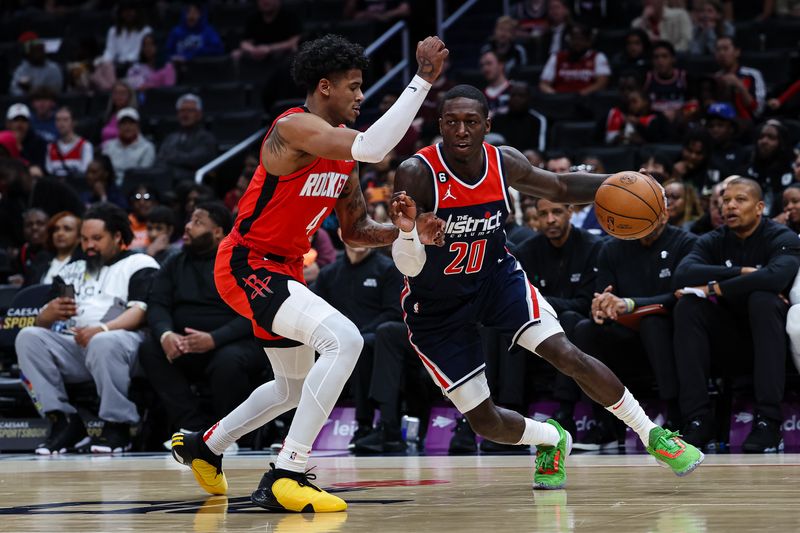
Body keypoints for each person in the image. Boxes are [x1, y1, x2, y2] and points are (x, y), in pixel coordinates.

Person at [169, 34, 448, 513]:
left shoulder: (343, 157)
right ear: (325, 87)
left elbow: (355, 230)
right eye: (355, 87)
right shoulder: (294, 128)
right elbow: (375, 146)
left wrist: (406, 230)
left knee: (292, 387)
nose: (362, 96)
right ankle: (288, 471)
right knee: (346, 340)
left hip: (286, 269)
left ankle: (204, 446)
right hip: (247, 263)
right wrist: (422, 79)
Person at [390, 84, 703, 492]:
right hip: (435, 304)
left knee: (565, 352)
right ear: (440, 125)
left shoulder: (504, 163)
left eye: (471, 122)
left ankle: (653, 436)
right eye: (451, 122)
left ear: (488, 124)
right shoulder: (417, 172)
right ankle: (552, 439)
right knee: (485, 421)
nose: (461, 131)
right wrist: (411, 234)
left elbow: (557, 187)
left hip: (495, 279)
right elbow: (407, 265)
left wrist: (627, 181)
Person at [15, 203, 159, 455]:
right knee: (28, 336)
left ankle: (118, 424)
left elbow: (140, 312)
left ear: (117, 236)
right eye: (84, 239)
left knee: (103, 342)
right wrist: (45, 316)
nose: (89, 245)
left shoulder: (140, 262)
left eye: (96, 238)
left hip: (124, 346)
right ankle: (64, 421)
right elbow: (45, 320)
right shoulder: (72, 269)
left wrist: (103, 328)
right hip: (77, 346)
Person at [672, 177, 800, 452]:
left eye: (740, 200)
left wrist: (714, 287)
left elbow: (776, 278)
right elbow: (683, 274)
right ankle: (697, 419)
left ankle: (768, 420)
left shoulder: (782, 236)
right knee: (688, 306)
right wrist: (740, 272)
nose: (729, 206)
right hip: (728, 338)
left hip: (772, 339)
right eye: (725, 201)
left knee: (762, 300)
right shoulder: (713, 240)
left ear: (759, 207)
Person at [569, 209, 696, 449]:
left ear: (665, 215)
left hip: (672, 335)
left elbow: (682, 294)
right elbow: (603, 294)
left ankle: (676, 416)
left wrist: (630, 304)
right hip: (626, 334)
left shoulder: (686, 243)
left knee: (653, 324)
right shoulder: (610, 249)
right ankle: (604, 425)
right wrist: (600, 307)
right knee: (585, 329)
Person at [140, 202, 266, 437]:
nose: (187, 227)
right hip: (185, 343)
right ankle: (192, 427)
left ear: (218, 232)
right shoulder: (174, 262)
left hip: (232, 341)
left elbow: (254, 312)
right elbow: (157, 303)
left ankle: (228, 433)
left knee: (228, 361)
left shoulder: (240, 263)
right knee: (150, 349)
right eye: (189, 220)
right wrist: (166, 333)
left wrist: (214, 339)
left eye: (197, 223)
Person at [513, 198, 603, 437]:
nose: (550, 220)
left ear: (570, 211)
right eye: (543, 214)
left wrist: (547, 302)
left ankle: (565, 411)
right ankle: (509, 409)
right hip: (538, 324)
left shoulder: (593, 247)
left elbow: (587, 304)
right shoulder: (527, 251)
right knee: (505, 328)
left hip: (576, 325)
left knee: (574, 320)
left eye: (557, 212)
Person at [311, 232, 404, 448]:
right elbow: (314, 311)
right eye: (355, 231)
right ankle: (286, 427)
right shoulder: (328, 274)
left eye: (366, 232)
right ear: (341, 234)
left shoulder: (388, 268)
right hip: (335, 342)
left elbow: (393, 312)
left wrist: (355, 336)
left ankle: (366, 425)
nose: (361, 238)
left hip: (373, 341)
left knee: (362, 345)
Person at [156, 93, 217, 183]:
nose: (185, 114)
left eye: (190, 111)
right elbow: (160, 160)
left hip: (193, 184)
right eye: (182, 111)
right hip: (168, 182)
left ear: (199, 114)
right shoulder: (171, 137)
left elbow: (194, 160)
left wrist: (172, 157)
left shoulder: (206, 138)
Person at [539, 23, 610, 96]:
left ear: (589, 41)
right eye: (574, 38)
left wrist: (581, 94)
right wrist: (555, 95)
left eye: (581, 39)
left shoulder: (598, 57)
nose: (577, 42)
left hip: (587, 101)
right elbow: (544, 84)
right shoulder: (557, 57)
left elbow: (602, 83)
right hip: (560, 101)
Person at [713, 35, 765, 122]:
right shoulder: (715, 78)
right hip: (721, 123)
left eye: (725, 49)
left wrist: (739, 85)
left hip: (747, 122)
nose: (721, 53)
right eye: (718, 50)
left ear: (737, 52)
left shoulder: (752, 74)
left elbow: (758, 110)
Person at [101, 107, 156, 185]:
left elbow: (143, 175)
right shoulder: (108, 146)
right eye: (123, 123)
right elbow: (104, 170)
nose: (127, 127)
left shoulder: (147, 148)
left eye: (131, 123)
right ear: (118, 126)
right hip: (110, 186)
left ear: (137, 126)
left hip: (134, 187)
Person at [45, 107, 93, 179]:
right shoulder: (50, 147)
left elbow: (85, 173)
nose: (61, 124)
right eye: (58, 120)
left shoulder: (85, 146)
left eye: (65, 120)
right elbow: (49, 172)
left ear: (74, 122)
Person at [9, 33, 63, 97]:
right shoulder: (22, 69)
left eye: (40, 50)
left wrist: (40, 92)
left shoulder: (53, 68)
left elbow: (57, 89)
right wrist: (28, 93)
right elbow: (14, 90)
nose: (38, 54)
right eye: (34, 51)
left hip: (50, 102)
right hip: (27, 101)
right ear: (29, 53)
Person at [38, 211, 83, 285]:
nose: (60, 233)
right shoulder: (41, 259)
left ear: (79, 237)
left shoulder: (84, 262)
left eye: (67, 229)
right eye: (56, 229)